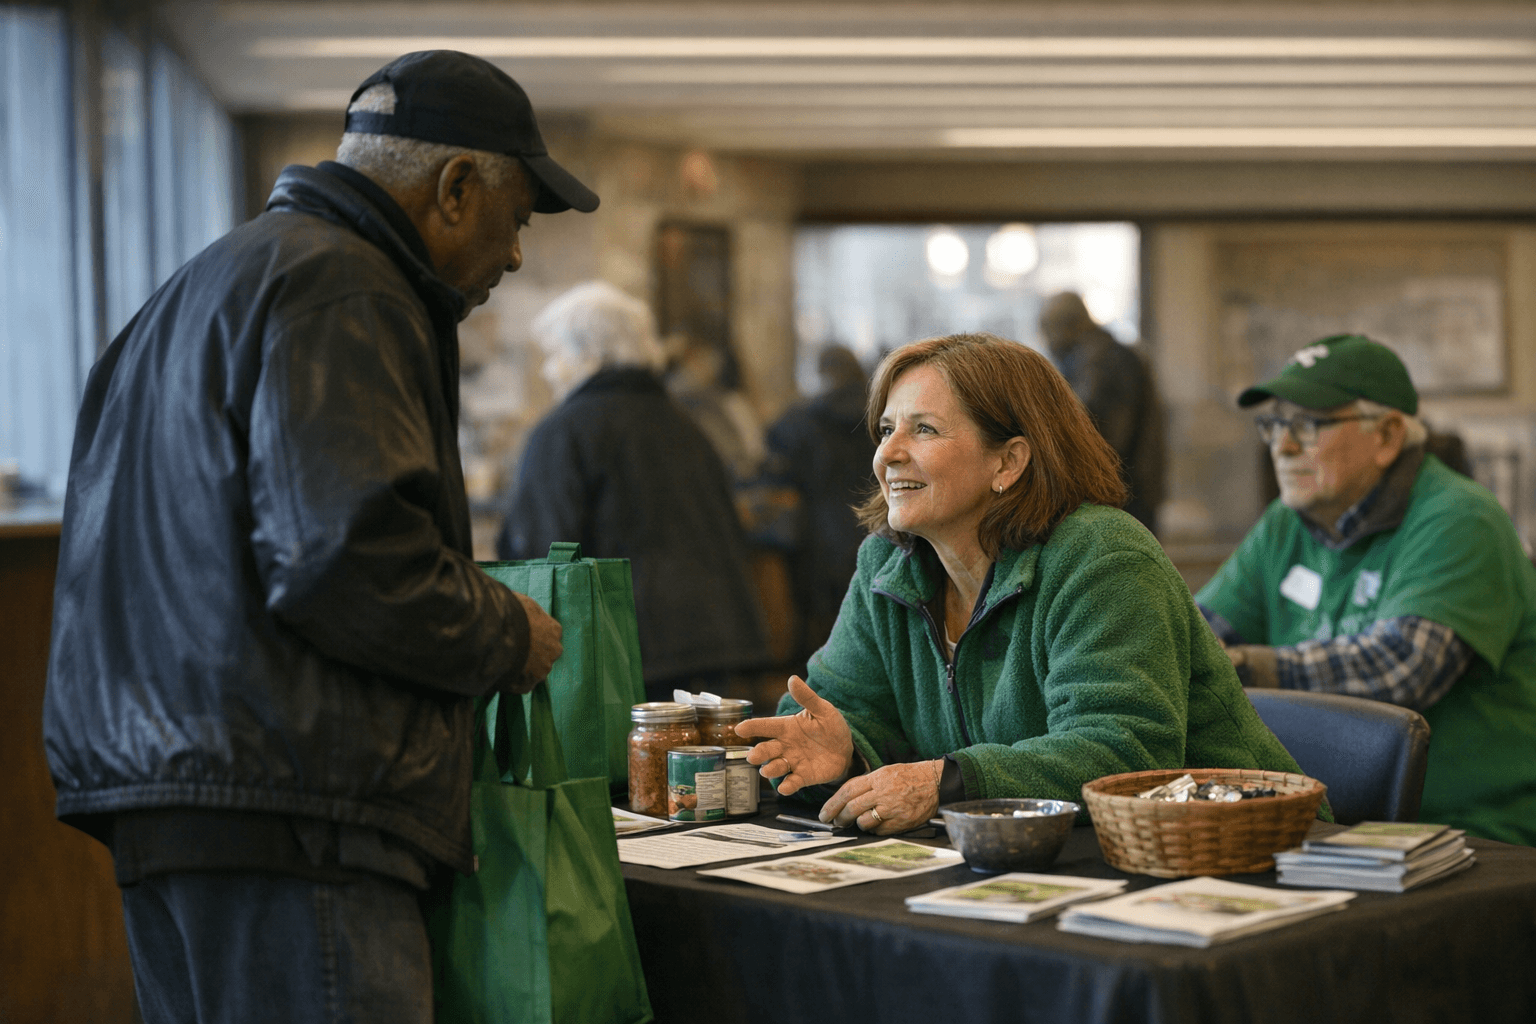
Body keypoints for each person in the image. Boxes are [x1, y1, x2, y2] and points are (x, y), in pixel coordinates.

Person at [43, 50, 597, 1023]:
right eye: (516, 220)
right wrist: (507, 631)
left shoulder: (193, 288)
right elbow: (347, 558)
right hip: (300, 811)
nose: (515, 258)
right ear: (455, 188)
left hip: (167, 798)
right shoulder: (351, 287)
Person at [734, 332, 1303, 833]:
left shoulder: (1102, 554)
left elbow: (1122, 751)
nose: (888, 453)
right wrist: (841, 756)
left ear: (1007, 463)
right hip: (1044, 859)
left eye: (923, 429)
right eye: (886, 429)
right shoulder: (886, 564)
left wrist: (948, 781)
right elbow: (841, 711)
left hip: (1250, 852)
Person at [1196, 334, 1536, 846]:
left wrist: (1242, 667)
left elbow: (1399, 670)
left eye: (1307, 426)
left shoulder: (1459, 516)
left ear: (1388, 436)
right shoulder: (1286, 522)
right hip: (1335, 825)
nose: (1282, 447)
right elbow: (1192, 633)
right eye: (1275, 424)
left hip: (1472, 834)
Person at [496, 281, 771, 703]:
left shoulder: (564, 432)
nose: (548, 370)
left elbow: (539, 554)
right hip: (709, 640)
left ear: (590, 353)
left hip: (620, 649)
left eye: (554, 354)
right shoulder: (685, 424)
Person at [757, 344, 877, 665]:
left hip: (819, 544)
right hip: (878, 531)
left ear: (820, 374)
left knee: (823, 641)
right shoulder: (883, 415)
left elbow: (772, 474)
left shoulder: (798, 422)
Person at [1039, 291, 1164, 531]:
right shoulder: (1094, 358)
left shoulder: (1105, 362)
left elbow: (1103, 437)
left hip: (1123, 493)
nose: (1048, 341)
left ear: (1066, 325)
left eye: (1047, 330)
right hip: (1124, 490)